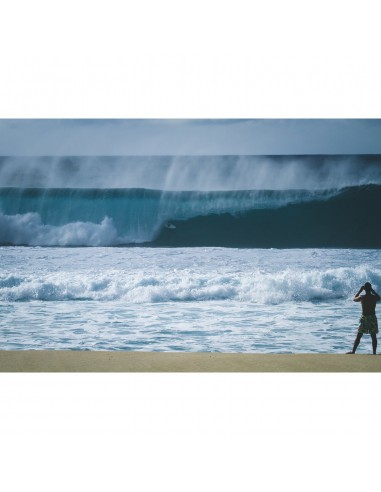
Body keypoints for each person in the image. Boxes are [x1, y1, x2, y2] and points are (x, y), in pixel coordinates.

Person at [347, 282, 380, 355]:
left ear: (364, 289)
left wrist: (360, 290)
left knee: (359, 335)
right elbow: (379, 298)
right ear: (370, 288)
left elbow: (354, 299)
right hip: (372, 317)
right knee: (373, 336)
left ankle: (353, 351)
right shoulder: (374, 297)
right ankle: (374, 353)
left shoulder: (362, 297)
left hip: (365, 317)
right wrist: (372, 290)